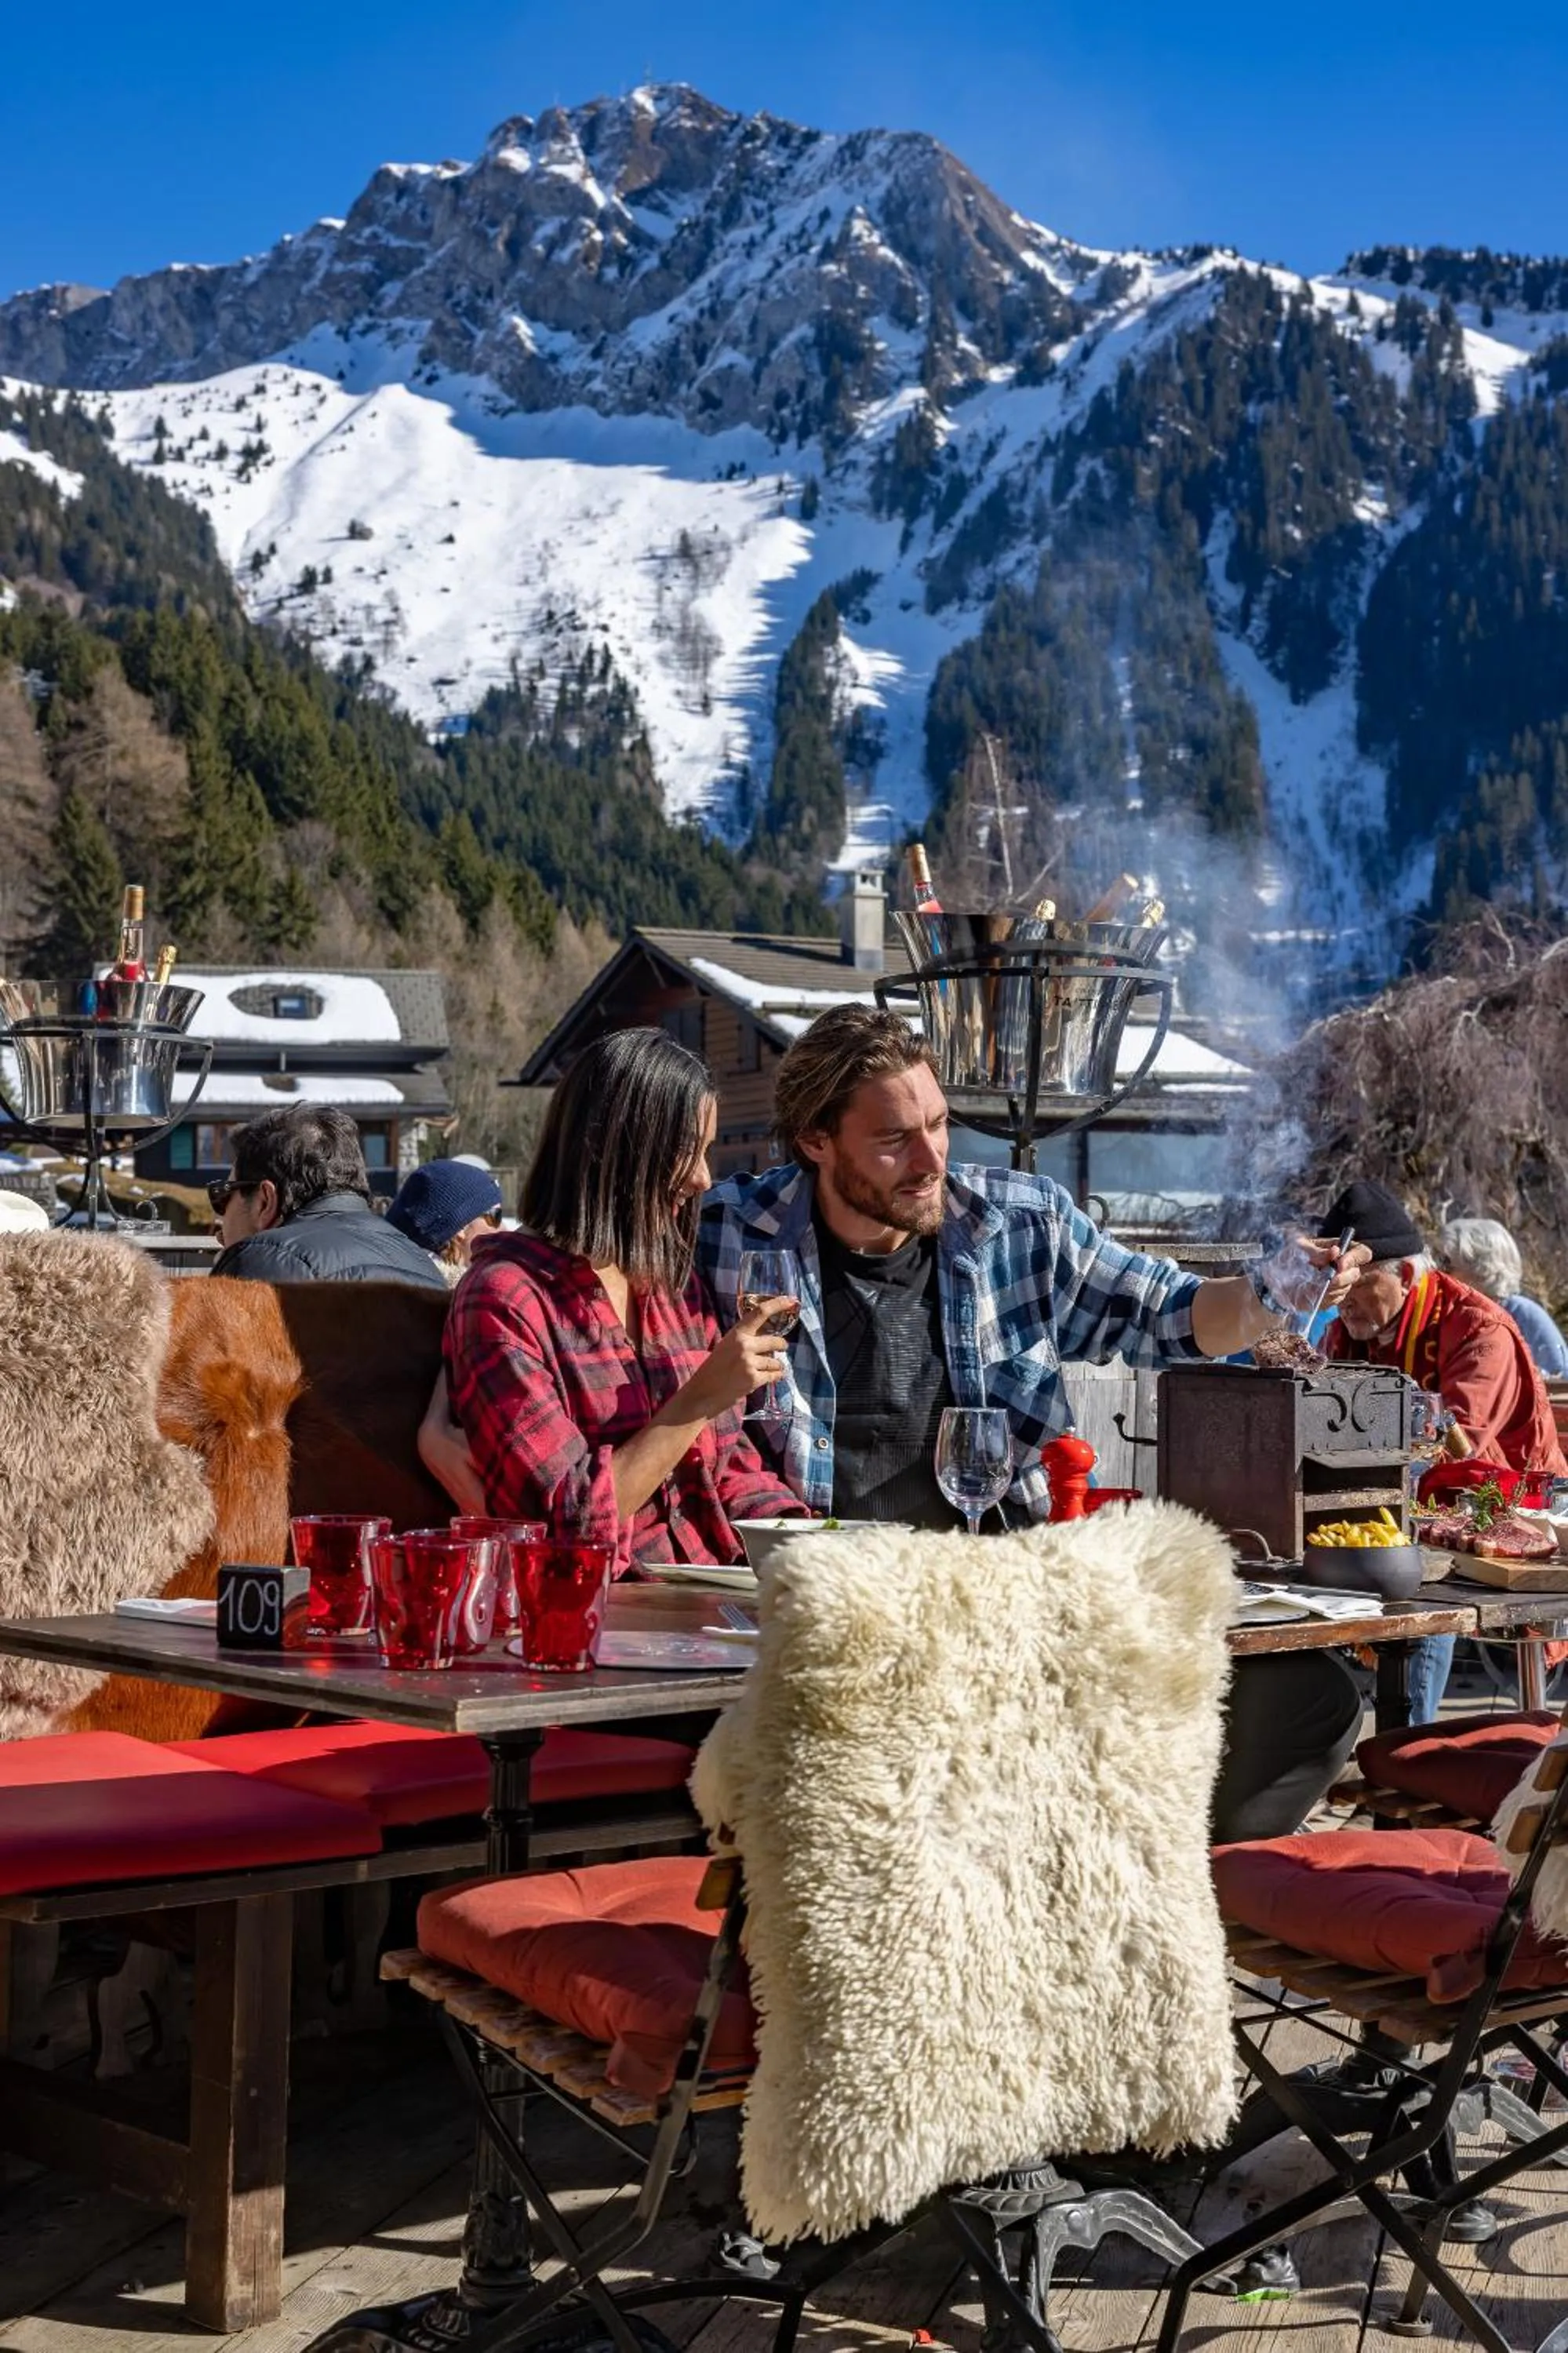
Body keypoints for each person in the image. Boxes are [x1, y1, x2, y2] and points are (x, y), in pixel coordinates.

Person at [693, 1005, 1370, 1844]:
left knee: (1311, 1685)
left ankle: (1154, 1894)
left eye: (939, 1124)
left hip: (998, 1594)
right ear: (814, 1142)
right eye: (893, 1138)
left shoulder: (1018, 1220)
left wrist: (1276, 1289)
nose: (931, 1157)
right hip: (829, 1618)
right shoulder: (725, 1234)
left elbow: (1176, 1313)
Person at [439, 1028, 808, 1568]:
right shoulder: (505, 1299)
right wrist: (698, 1399)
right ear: (611, 1149)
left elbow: (730, 1468)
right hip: (611, 1618)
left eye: (706, 1151)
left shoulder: (669, 1284)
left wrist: (812, 1545)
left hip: (713, 1600)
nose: (703, 1178)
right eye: (686, 1151)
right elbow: (564, 1527)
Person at [1324, 1179, 1568, 1720]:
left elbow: (1454, 1449)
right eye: (1339, 1292)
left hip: (1500, 1522)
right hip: (1401, 1524)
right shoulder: (1351, 1332)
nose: (1346, 1307)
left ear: (1406, 1276)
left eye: (1360, 1288)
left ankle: (1406, 1765)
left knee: (1417, 1607)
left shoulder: (1479, 1330)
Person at [209, 1105, 448, 1289]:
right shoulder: (425, 1267)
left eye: (224, 1193)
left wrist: (233, 1264)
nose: (221, 1210)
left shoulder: (264, 1261)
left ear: (265, 1201)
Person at [1439, 1216, 1568, 1379]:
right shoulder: (1448, 1315)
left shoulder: (1524, 1314)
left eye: (1447, 1264)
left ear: (1480, 1267)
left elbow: (1559, 1379)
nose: (1440, 1272)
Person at [387, 1157, 504, 1284]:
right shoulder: (467, 1299)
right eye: (496, 1216)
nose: (505, 1228)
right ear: (461, 1228)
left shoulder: (403, 1284)